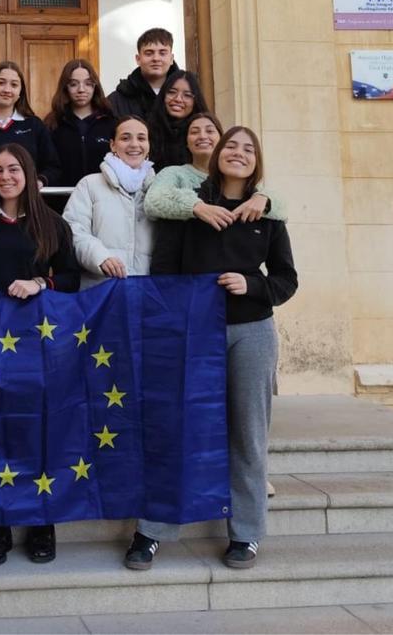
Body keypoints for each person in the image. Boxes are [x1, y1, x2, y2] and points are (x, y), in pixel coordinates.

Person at [127, 126, 297, 572]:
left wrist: (252, 285)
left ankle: (246, 533)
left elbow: (286, 280)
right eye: (231, 146)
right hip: (193, 334)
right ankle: (151, 531)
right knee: (176, 429)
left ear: (256, 161)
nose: (238, 153)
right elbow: (164, 272)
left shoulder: (267, 214)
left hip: (251, 332)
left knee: (248, 433)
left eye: (248, 149)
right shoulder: (190, 206)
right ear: (218, 154)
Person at [0, 143, 79, 567]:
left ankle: (41, 523)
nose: (6, 177)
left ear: (29, 174)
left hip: (38, 346)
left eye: (14, 169)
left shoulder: (52, 224)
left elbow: (70, 277)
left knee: (38, 432)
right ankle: (0, 524)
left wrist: (40, 283)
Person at [144, 112, 286, 228]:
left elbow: (282, 210)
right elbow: (153, 201)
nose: (202, 136)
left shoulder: (235, 177)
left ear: (222, 140)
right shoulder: (174, 173)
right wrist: (197, 207)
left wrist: (265, 199)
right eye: (194, 132)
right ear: (186, 142)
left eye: (210, 131)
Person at [62, 115, 155, 288]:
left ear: (148, 145)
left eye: (141, 138)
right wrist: (100, 258)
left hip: (146, 291)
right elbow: (73, 230)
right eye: (125, 138)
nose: (134, 144)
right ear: (112, 145)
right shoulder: (89, 184)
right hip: (100, 291)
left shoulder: (158, 188)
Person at [0, 62, 62, 206]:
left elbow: (53, 167)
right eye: (1, 83)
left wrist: (39, 180)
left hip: (29, 207)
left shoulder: (35, 126)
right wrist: (3, 183)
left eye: (14, 85)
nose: (7, 89)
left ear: (20, 92)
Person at [44, 58, 116, 211]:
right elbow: (47, 166)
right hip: (61, 205)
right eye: (73, 84)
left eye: (88, 83)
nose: (81, 89)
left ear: (95, 86)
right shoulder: (52, 124)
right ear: (65, 87)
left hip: (103, 205)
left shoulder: (111, 123)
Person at [106, 28, 182, 119]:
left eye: (162, 53)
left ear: (171, 58)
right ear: (138, 59)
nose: (156, 58)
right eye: (149, 53)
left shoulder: (187, 96)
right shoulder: (116, 102)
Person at [146, 70, 209, 169]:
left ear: (195, 101)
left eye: (187, 95)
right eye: (172, 92)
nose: (178, 99)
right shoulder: (147, 131)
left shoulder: (203, 134)